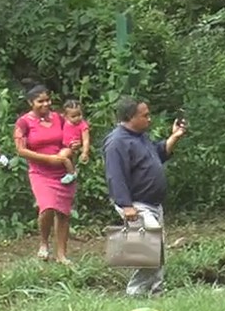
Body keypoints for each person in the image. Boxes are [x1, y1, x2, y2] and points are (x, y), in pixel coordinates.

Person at [103, 96, 188, 296]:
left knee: (157, 249)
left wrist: (174, 136)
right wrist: (126, 205)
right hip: (136, 204)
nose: (149, 119)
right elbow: (115, 175)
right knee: (150, 248)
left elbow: (157, 155)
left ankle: (157, 292)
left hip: (153, 203)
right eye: (145, 115)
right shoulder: (117, 142)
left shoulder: (140, 136)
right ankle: (135, 292)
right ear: (130, 117)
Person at [13, 83, 78, 264]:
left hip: (63, 171)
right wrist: (48, 159)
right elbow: (21, 150)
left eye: (48, 100)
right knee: (47, 207)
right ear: (30, 102)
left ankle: (61, 254)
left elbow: (70, 138)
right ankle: (43, 242)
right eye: (40, 101)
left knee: (63, 213)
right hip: (40, 172)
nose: (45, 104)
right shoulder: (24, 122)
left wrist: (72, 147)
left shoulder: (59, 118)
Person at [57, 99, 91, 185]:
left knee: (62, 156)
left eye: (79, 115)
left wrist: (85, 152)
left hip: (73, 148)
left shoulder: (82, 125)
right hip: (64, 145)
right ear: (66, 116)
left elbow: (86, 140)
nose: (77, 118)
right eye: (73, 116)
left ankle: (71, 173)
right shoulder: (64, 121)